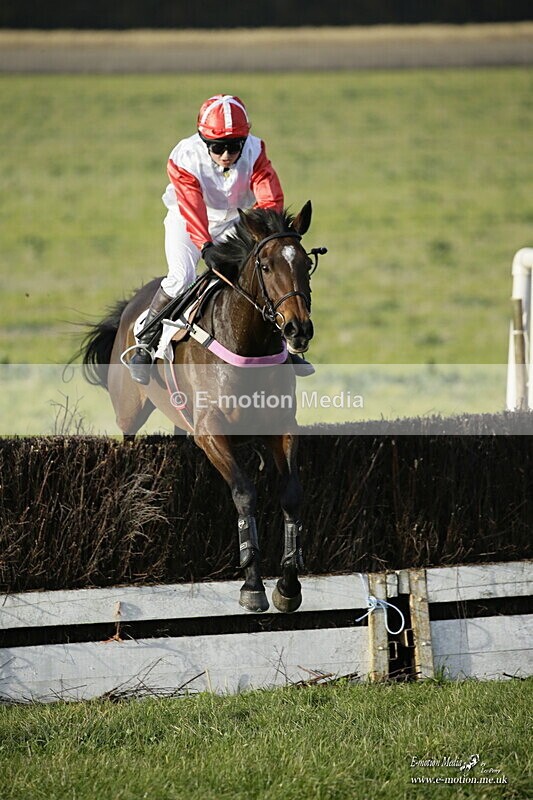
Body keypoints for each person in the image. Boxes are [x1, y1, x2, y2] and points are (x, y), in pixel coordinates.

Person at [128, 93, 312, 384]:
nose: (226, 154)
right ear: (204, 141)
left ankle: (285, 344)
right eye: (217, 147)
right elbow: (192, 205)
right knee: (181, 277)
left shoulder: (256, 150)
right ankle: (145, 342)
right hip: (187, 220)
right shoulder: (185, 157)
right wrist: (205, 246)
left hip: (235, 222)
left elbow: (269, 199)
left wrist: (267, 234)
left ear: (244, 141)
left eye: (234, 146)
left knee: (256, 277)